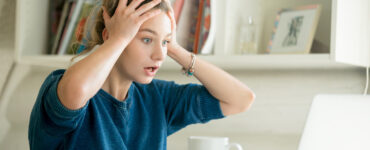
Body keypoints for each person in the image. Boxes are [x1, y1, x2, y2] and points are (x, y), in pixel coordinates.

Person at [28, 0, 255, 149]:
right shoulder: (61, 87)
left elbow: (240, 99)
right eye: (146, 39)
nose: (159, 55)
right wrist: (119, 39)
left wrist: (175, 49)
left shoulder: (157, 98)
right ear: (112, 36)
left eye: (164, 42)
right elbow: (76, 91)